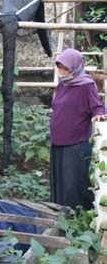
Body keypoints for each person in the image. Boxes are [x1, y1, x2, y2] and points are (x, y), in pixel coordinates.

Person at [50, 48, 105, 209]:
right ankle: (59, 216)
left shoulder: (86, 85)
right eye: (60, 67)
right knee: (60, 183)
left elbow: (97, 107)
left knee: (72, 186)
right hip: (58, 142)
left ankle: (75, 220)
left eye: (66, 68)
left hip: (75, 144)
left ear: (75, 67)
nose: (62, 71)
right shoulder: (63, 85)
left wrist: (99, 115)